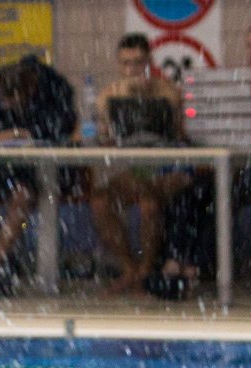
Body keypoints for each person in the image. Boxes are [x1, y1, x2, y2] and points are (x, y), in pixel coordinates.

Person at [149, 22, 251, 299]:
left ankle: (196, 267)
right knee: (190, 194)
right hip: (236, 168)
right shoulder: (235, 89)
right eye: (250, 46)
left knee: (222, 198)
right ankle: (174, 262)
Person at [89, 33, 187, 295]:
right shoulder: (108, 96)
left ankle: (145, 271)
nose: (132, 70)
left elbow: (178, 131)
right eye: (126, 63)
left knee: (149, 204)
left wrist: (145, 98)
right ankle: (129, 268)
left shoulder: (166, 90)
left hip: (164, 172)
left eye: (138, 63)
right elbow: (103, 139)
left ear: (149, 63)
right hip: (129, 172)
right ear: (118, 65)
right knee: (99, 202)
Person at [0, 55, 77, 293]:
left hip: (41, 170)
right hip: (1, 167)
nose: (7, 107)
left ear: (30, 91)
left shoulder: (56, 90)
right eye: (5, 102)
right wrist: (16, 133)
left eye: (14, 103)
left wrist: (10, 134)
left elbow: (60, 129)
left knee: (23, 194)